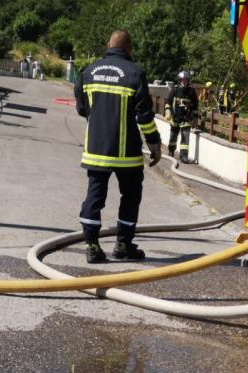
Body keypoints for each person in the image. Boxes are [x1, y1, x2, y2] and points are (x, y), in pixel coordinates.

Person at [74, 29, 161, 264]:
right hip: (127, 154)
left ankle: (92, 245)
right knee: (131, 196)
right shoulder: (135, 73)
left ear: (108, 45)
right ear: (129, 49)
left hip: (96, 150)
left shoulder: (88, 71)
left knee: (95, 195)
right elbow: (144, 116)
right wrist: (154, 144)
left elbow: (82, 109)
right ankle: (123, 245)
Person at [165, 71, 198, 163]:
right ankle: (171, 150)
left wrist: (195, 121)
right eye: (183, 80)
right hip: (175, 117)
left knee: (185, 139)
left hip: (186, 118)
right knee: (173, 137)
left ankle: (184, 157)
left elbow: (195, 107)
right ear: (179, 80)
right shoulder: (174, 90)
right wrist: (168, 113)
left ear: (188, 80)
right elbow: (168, 102)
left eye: (186, 80)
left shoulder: (191, 92)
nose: (184, 82)